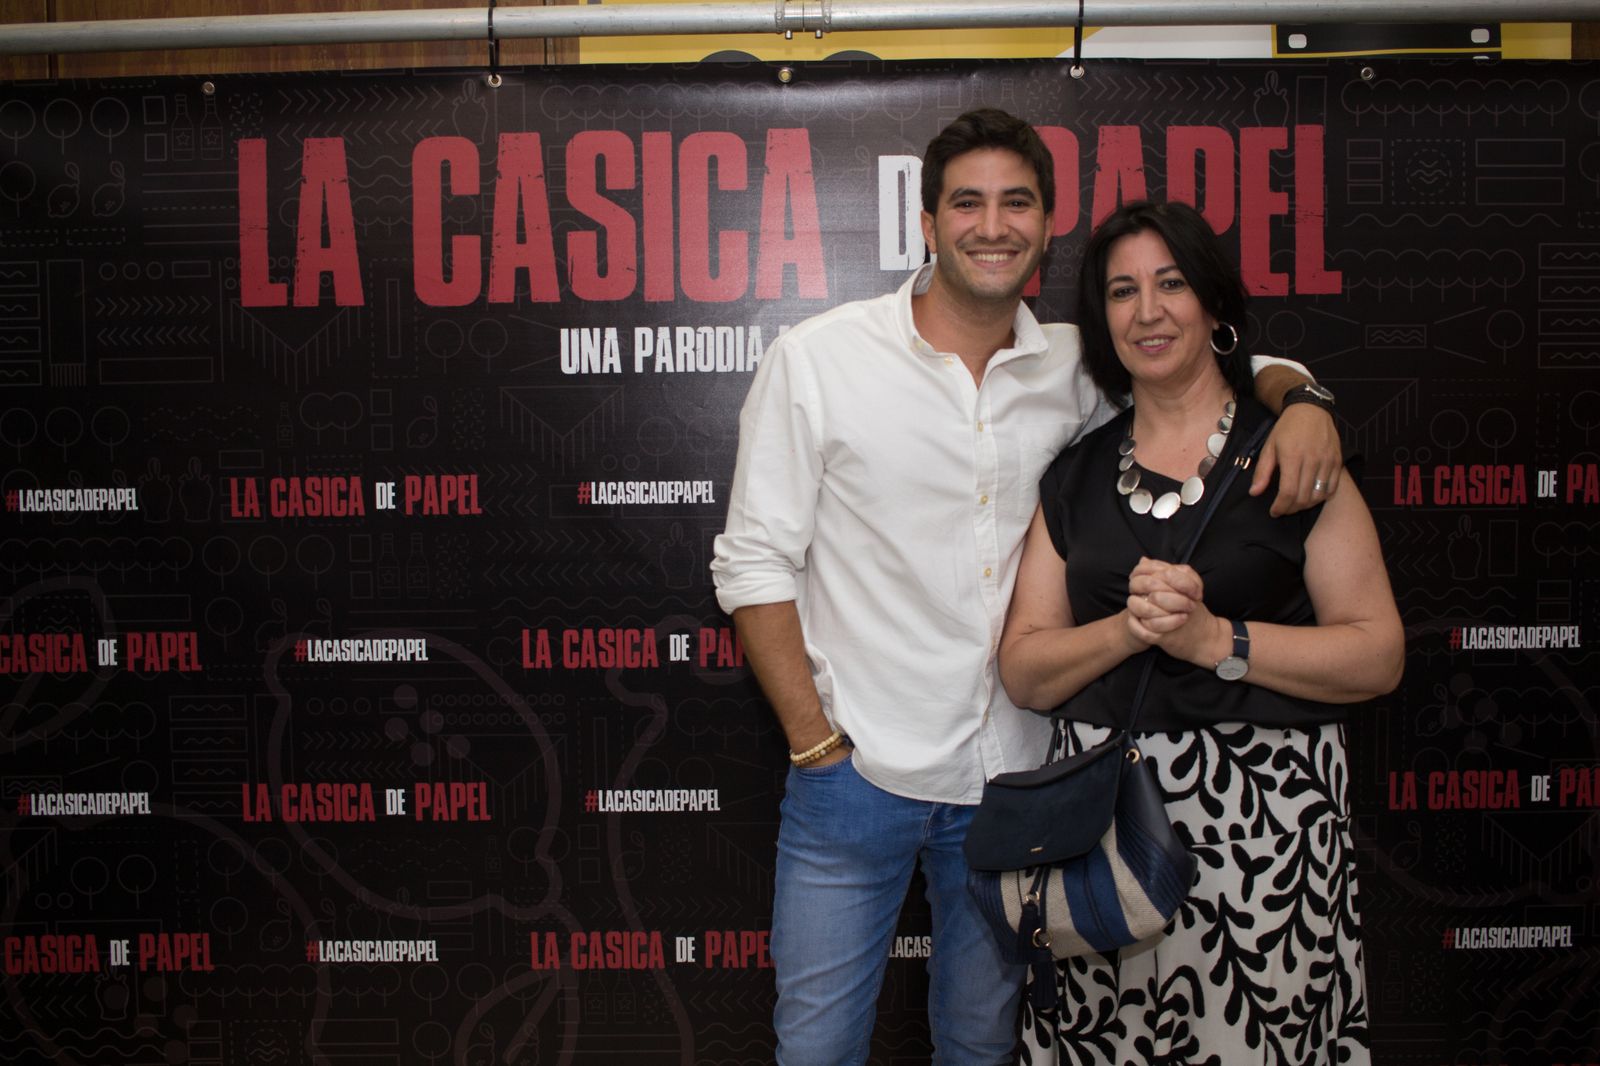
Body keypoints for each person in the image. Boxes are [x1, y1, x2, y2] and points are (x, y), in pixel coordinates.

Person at [711, 110, 1342, 1065]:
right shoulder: (820, 360)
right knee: (815, 1051)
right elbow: (754, 564)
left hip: (1018, 785)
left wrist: (1303, 399)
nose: (992, 225)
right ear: (928, 225)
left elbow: (1212, 365)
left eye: (1018, 202)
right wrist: (816, 745)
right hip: (854, 779)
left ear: (1049, 226)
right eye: (968, 202)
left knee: (981, 1048)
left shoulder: (1075, 368)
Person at [998, 199, 1404, 1064]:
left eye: (1171, 283)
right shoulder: (1072, 476)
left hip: (1270, 838)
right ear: (1101, 322)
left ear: (1213, 304)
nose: (1148, 311)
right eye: (1121, 291)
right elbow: (1026, 673)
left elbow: (1377, 653)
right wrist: (1129, 630)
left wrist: (1220, 641)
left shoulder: (1292, 453)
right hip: (1102, 840)